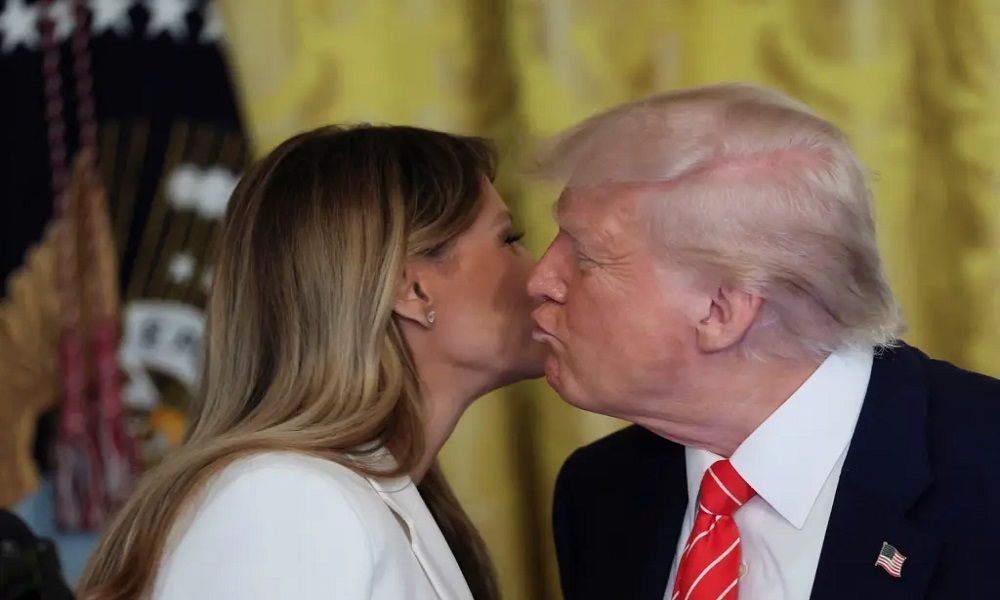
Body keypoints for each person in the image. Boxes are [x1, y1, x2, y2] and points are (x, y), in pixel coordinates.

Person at [529, 83, 1000, 600]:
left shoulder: (985, 468)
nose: (540, 280)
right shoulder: (600, 492)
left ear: (721, 310)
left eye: (585, 258)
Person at [77, 125, 544, 600]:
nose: (544, 273)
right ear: (412, 288)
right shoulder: (288, 501)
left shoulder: (342, 495)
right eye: (509, 239)